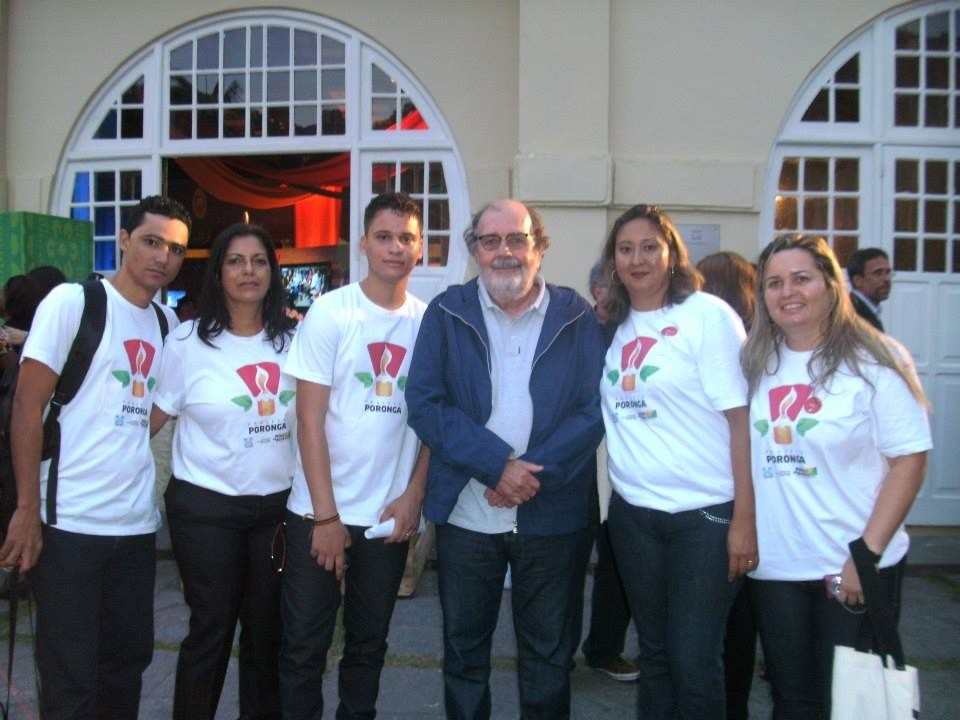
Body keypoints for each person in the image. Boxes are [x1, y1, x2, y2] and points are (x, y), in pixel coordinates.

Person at [406, 199, 606, 720]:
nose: (504, 252)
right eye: (490, 241)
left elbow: (593, 409)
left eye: (516, 239)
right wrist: (498, 466)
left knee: (548, 656)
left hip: (553, 513)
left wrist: (527, 473)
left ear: (538, 247)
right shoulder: (446, 313)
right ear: (475, 251)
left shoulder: (575, 314)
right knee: (465, 654)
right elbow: (426, 404)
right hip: (469, 515)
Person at [0, 195, 190, 719]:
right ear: (124, 239)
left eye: (175, 249)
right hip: (67, 523)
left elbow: (153, 414)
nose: (162, 257)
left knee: (125, 667)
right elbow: (27, 404)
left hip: (132, 526)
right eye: (152, 241)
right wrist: (25, 509)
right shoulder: (74, 302)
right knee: (70, 678)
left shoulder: (167, 324)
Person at [742, 234, 931, 718]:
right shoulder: (753, 364)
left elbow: (909, 460)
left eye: (801, 279)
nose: (788, 292)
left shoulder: (875, 360)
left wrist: (865, 557)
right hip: (778, 569)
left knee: (854, 705)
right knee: (793, 700)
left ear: (830, 284)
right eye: (774, 283)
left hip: (853, 566)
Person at [599, 204, 756, 720]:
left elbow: (742, 422)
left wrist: (745, 522)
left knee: (694, 658)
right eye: (626, 249)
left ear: (671, 254)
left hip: (704, 518)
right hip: (634, 516)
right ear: (614, 260)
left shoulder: (706, 316)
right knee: (658, 654)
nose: (637, 258)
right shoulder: (613, 327)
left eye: (649, 247)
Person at [279, 192, 429, 720]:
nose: (395, 247)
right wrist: (326, 516)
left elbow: (433, 421)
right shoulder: (331, 312)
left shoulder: (426, 322)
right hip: (316, 516)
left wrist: (414, 495)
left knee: (369, 647)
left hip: (387, 519)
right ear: (363, 243)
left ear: (421, 248)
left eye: (406, 238)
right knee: (302, 649)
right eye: (384, 236)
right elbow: (309, 421)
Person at [151, 223, 297, 720]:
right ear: (218, 271)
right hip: (205, 511)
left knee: (266, 630)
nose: (248, 271)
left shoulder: (295, 342)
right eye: (235, 260)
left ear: (273, 273)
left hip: (276, 513)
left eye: (259, 261)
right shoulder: (187, 342)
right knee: (211, 628)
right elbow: (152, 419)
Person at [568, 259, 638, 683]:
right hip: (584, 470)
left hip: (624, 473)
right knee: (572, 569)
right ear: (598, 291)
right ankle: (563, 651)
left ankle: (604, 647)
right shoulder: (581, 330)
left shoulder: (632, 331)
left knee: (617, 569)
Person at [697, 250, 759, 720]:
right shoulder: (758, 348)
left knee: (716, 633)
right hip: (749, 503)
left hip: (728, 503)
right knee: (737, 630)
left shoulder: (724, 341)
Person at [846, 247, 891, 332]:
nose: (886, 279)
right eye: (878, 273)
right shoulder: (852, 315)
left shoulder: (867, 310)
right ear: (858, 280)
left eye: (888, 272)